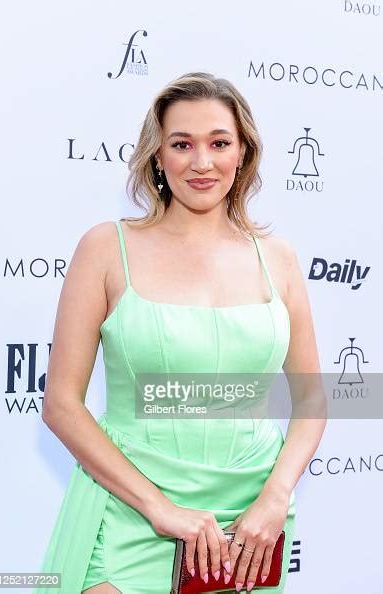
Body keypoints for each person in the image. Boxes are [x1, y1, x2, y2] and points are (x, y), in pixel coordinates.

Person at [34, 72, 326, 594]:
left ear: (243, 154)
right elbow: (61, 404)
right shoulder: (105, 248)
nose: (201, 162)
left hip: (249, 527)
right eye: (182, 144)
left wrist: (276, 498)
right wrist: (160, 509)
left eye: (219, 143)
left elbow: (312, 401)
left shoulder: (278, 258)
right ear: (157, 156)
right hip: (132, 510)